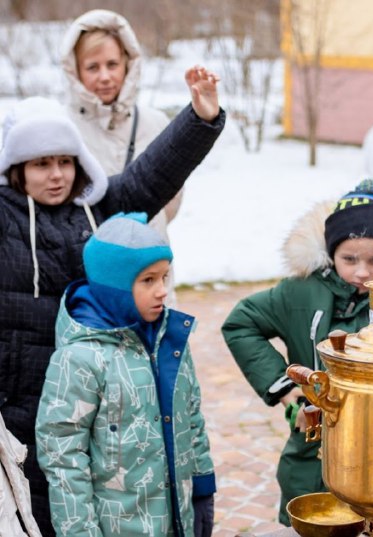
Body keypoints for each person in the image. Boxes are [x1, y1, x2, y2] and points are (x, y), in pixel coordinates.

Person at [0, 66, 223, 536]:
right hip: (19, 397)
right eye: (41, 164)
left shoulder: (97, 207)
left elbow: (153, 173)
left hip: (99, 396)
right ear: (17, 169)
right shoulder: (5, 218)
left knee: (92, 503)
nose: (57, 175)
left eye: (65, 161)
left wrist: (199, 118)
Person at [221, 179, 373, 525]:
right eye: (349, 258)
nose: (362, 271)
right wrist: (287, 392)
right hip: (311, 457)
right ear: (331, 253)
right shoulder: (300, 293)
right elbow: (241, 324)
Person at [35, 212, 215, 537]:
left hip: (178, 517)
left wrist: (202, 487)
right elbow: (62, 456)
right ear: (115, 287)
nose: (162, 291)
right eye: (148, 280)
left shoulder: (170, 341)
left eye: (164, 277)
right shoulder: (79, 358)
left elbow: (191, 414)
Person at [61, 9, 181, 304]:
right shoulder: (61, 128)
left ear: (129, 64)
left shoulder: (154, 123)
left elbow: (172, 198)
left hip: (152, 270)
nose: (105, 76)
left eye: (112, 64)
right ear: (74, 70)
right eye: (92, 67)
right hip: (90, 275)